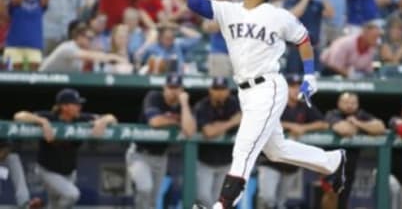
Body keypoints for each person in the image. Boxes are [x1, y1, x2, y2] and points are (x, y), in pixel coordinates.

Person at [187, 0, 346, 209]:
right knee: (275, 150)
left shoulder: (277, 15)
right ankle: (332, 161)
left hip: (268, 87)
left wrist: (310, 75)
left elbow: (304, 39)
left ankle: (221, 206)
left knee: (244, 148)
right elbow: (194, 3)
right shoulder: (229, 10)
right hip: (246, 92)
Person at [13, 88, 117, 209]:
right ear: (64, 106)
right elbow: (19, 116)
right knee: (72, 195)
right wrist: (42, 121)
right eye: (76, 104)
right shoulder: (50, 117)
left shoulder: (81, 118)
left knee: (57, 204)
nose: (79, 107)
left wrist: (103, 122)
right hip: (48, 170)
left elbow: (112, 118)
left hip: (69, 173)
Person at [257, 74, 330, 209]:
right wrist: (291, 126)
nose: (296, 90)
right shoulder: (275, 101)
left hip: (291, 164)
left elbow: (324, 124)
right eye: (292, 86)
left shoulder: (304, 105)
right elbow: (263, 120)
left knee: (280, 203)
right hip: (270, 161)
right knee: (267, 199)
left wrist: (304, 127)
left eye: (299, 87)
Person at [127, 74, 196, 209]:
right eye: (170, 87)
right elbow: (155, 122)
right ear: (164, 87)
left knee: (153, 199)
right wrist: (177, 122)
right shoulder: (154, 97)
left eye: (177, 88)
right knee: (145, 188)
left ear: (182, 90)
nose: (173, 91)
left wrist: (184, 104)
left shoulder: (183, 107)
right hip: (140, 154)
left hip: (161, 157)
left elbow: (190, 131)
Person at [324, 92, 386, 209]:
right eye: (346, 102)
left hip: (349, 168)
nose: (350, 105)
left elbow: (380, 127)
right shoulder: (332, 114)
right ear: (339, 103)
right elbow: (344, 130)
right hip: (331, 168)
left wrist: (357, 123)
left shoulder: (360, 115)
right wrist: (366, 128)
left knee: (343, 203)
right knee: (330, 198)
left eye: (353, 103)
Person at [194, 76, 241, 207]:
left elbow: (244, 121)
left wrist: (218, 126)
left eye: (222, 89)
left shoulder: (234, 103)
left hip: (226, 161)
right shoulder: (202, 105)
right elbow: (209, 132)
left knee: (221, 202)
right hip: (205, 161)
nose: (219, 92)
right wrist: (231, 122)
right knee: (203, 198)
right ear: (210, 90)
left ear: (228, 91)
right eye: (216, 89)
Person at [3, 0, 50, 71]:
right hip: (14, 45)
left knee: (34, 79)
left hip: (34, 45)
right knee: (12, 79)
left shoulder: (38, 1)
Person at [40, 23, 127, 72]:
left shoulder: (81, 58)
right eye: (89, 38)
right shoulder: (68, 47)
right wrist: (115, 57)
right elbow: (90, 56)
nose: (91, 41)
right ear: (79, 37)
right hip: (41, 82)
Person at [203, 0, 234, 77]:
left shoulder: (237, 6)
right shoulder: (212, 6)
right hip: (219, 53)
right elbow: (207, 27)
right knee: (220, 87)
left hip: (237, 53)